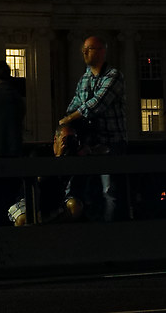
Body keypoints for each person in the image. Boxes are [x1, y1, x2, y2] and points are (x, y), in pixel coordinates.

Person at [55, 35, 123, 221]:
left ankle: (112, 230)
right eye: (83, 49)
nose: (84, 52)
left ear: (102, 51)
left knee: (110, 191)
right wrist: (67, 123)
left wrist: (68, 118)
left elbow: (96, 104)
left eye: (89, 48)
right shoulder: (84, 79)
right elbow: (74, 105)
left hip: (110, 143)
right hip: (89, 145)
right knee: (87, 191)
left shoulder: (114, 76)